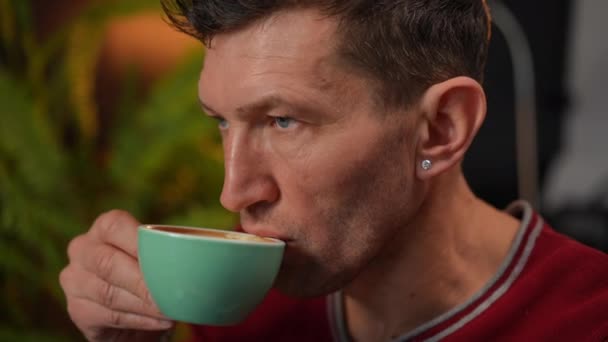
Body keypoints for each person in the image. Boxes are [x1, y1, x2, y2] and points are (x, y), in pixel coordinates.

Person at [59, 1, 608, 341]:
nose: (234, 193)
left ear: (441, 128)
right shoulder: (239, 313)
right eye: (222, 122)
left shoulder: (589, 321)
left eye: (282, 121)